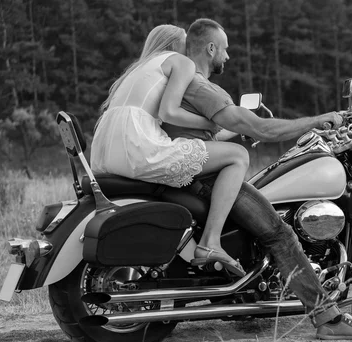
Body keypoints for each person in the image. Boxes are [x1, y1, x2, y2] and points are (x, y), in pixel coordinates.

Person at [162, 18, 352, 340]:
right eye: (225, 50)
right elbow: (262, 128)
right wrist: (316, 120)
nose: (228, 57)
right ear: (210, 48)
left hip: (188, 174)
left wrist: (240, 130)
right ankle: (327, 318)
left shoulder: (183, 88)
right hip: (208, 178)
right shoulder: (201, 86)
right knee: (280, 234)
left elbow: (214, 129)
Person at [90, 24, 247, 277]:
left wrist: (230, 131)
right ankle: (211, 242)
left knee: (223, 151)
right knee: (238, 156)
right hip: (139, 146)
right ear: (177, 45)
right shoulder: (180, 62)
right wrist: (213, 122)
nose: (190, 50)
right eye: (187, 44)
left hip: (109, 149)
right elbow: (169, 112)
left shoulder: (139, 68)